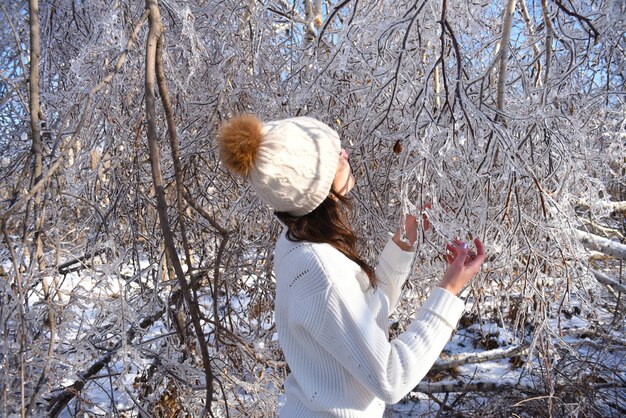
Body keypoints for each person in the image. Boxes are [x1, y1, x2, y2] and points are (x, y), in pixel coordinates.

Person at [217, 115, 486, 418]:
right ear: (314, 182)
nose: (345, 153)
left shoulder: (296, 243)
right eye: (334, 154)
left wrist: (404, 240)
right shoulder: (321, 270)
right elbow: (390, 378)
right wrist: (448, 291)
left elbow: (362, 314)